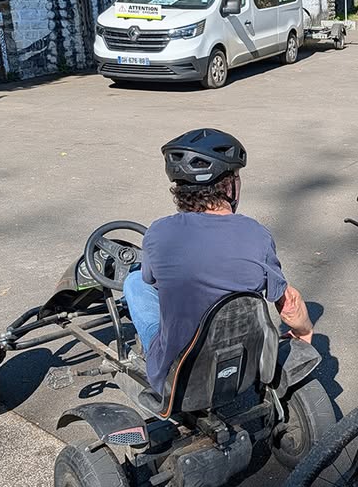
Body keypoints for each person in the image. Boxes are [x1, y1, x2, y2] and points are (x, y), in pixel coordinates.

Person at [122, 128, 313, 393]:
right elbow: (289, 305)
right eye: (237, 177)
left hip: (178, 374)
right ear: (226, 186)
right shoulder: (256, 233)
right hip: (244, 362)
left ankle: (145, 355)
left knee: (134, 282)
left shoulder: (159, 232)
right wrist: (304, 334)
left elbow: (150, 279)